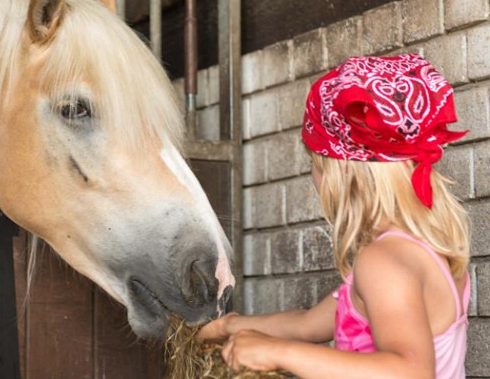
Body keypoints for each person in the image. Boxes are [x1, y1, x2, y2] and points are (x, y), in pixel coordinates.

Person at [198, 54, 470, 378]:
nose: (313, 176)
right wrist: (231, 326)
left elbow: (410, 371)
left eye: (315, 162)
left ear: (340, 170)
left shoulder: (383, 260)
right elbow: (307, 324)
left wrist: (278, 352)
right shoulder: (419, 250)